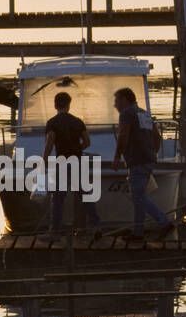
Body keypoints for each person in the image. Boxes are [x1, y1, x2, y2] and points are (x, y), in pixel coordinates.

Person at [112, 87, 172, 241]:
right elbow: (157, 137)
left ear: (125, 100)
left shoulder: (127, 114)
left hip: (137, 160)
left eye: (116, 100)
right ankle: (138, 232)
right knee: (139, 196)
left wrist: (117, 156)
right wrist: (152, 155)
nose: (115, 105)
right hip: (148, 159)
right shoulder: (144, 113)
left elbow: (123, 134)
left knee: (137, 196)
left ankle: (164, 222)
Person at [42, 92, 101, 239]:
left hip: (62, 162)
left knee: (58, 199)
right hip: (78, 161)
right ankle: (95, 226)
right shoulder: (78, 122)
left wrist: (43, 161)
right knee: (86, 195)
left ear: (55, 105)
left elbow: (50, 142)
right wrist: (77, 149)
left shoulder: (52, 122)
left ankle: (54, 232)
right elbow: (87, 141)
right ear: (69, 105)